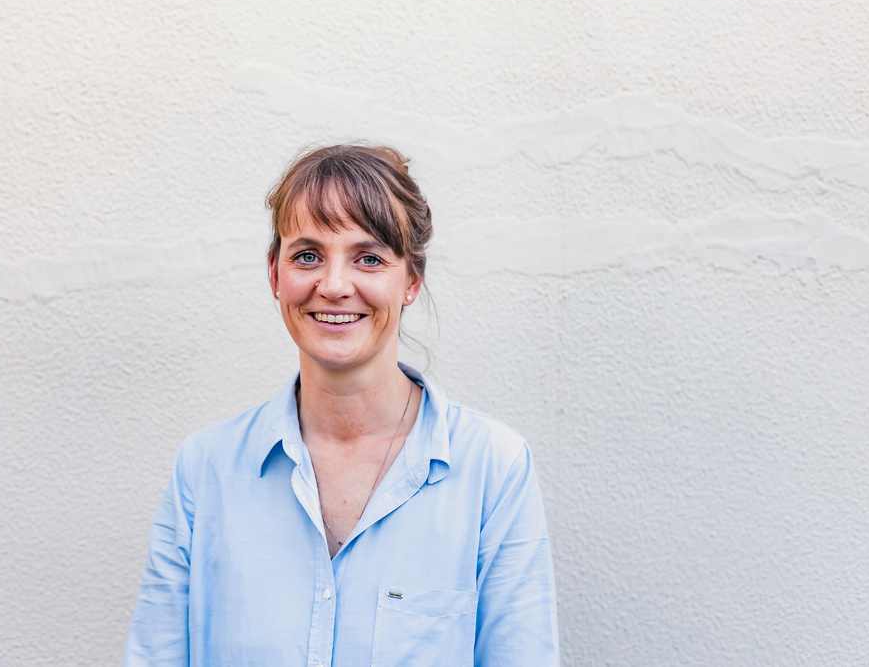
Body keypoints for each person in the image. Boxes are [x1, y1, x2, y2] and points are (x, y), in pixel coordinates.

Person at [125, 145, 558, 666]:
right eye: (307, 255)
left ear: (411, 281)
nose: (332, 286)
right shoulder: (204, 470)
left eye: (369, 258)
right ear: (275, 275)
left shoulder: (493, 470)